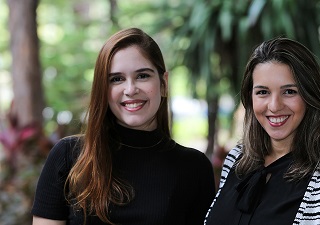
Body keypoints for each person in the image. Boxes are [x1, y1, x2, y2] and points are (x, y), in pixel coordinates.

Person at [31, 27, 215, 225]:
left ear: (163, 83)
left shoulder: (194, 167)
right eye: (116, 79)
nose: (130, 89)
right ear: (103, 89)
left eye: (142, 76)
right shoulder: (69, 156)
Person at [204, 37, 320, 225]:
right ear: (250, 98)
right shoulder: (236, 160)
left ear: (310, 96)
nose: (274, 106)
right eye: (262, 92)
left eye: (289, 92)